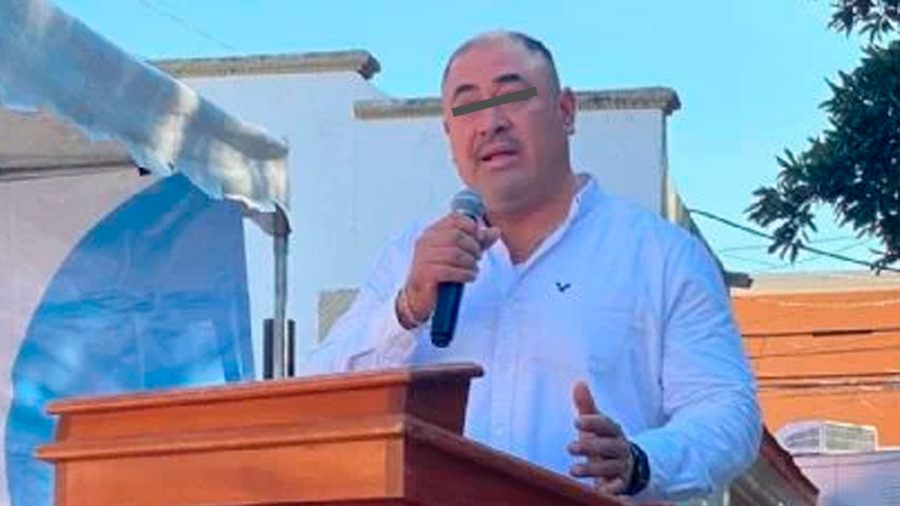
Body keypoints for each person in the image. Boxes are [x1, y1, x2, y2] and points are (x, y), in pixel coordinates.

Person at [303, 31, 762, 502]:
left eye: (512, 96)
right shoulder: (407, 258)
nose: (490, 123)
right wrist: (405, 310)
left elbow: (727, 410)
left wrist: (641, 461)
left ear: (566, 111)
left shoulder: (660, 256)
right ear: (449, 135)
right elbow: (315, 403)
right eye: (467, 107)